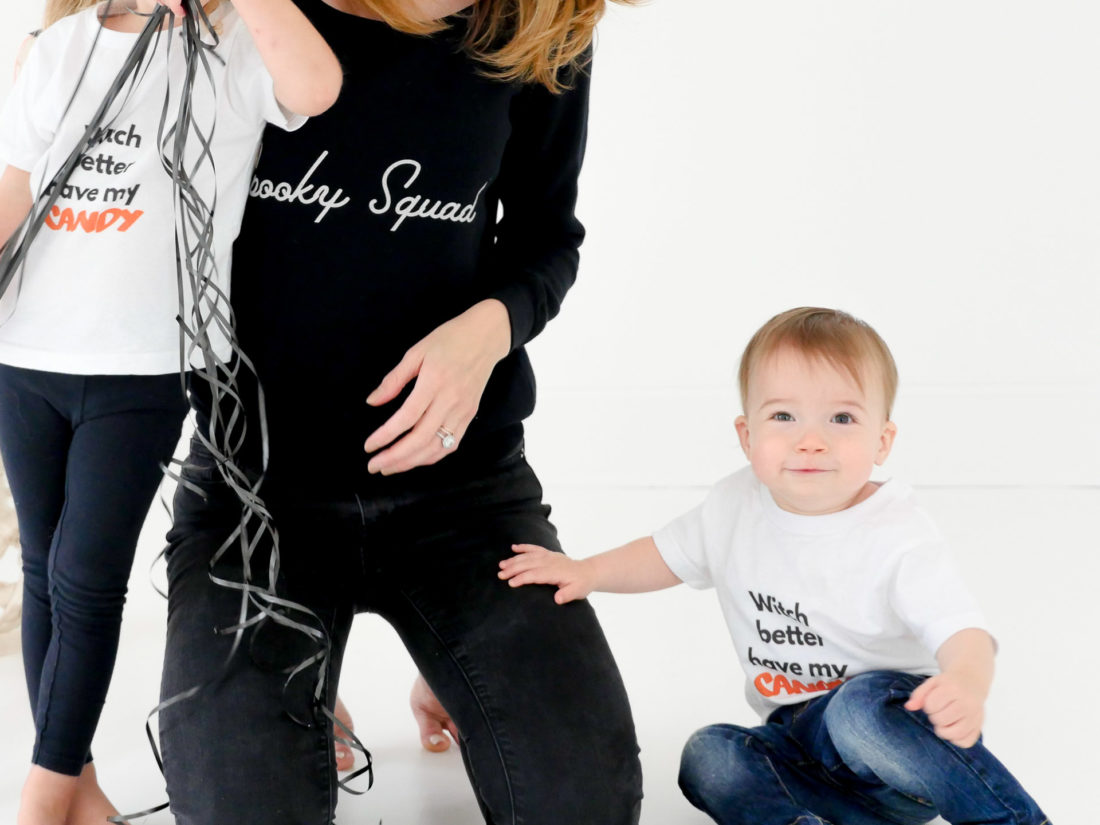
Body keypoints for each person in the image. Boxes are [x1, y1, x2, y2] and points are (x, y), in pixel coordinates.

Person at [157, 0, 644, 823]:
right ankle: (308, 694)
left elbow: (546, 239)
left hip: (463, 492)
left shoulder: (539, 23)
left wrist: (487, 332)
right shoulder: (256, 12)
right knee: (241, 807)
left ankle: (450, 655)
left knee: (582, 803)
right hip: (257, 496)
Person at [500, 307, 1050, 825]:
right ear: (747, 436)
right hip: (799, 748)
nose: (810, 441)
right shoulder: (732, 506)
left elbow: (960, 628)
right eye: (783, 416)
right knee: (710, 754)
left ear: (882, 441)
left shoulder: (895, 531)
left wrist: (967, 680)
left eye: (842, 418)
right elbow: (666, 555)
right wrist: (588, 571)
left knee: (855, 709)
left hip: (887, 747)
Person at [0, 0, 341, 821]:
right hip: (24, 353)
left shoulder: (237, 50)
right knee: (46, 571)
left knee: (87, 576)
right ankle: (72, 777)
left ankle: (42, 796)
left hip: (143, 363)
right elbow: (13, 188)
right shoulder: (58, 48)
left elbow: (319, 86)